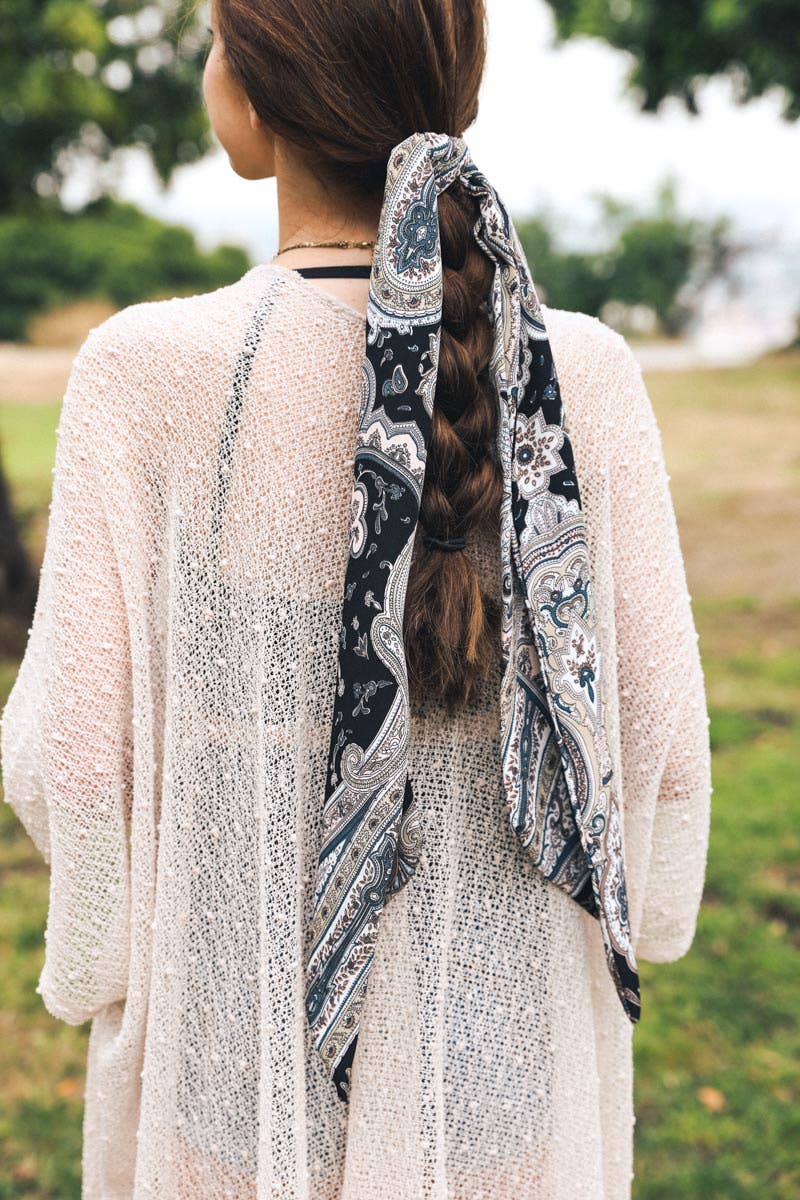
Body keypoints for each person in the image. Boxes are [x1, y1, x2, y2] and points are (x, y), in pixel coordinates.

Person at [0, 1, 712, 1197]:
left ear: (254, 95)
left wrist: (99, 957)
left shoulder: (149, 373)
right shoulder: (582, 370)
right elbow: (660, 750)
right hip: (504, 1071)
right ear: (458, 93)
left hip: (236, 1067)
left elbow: (73, 763)